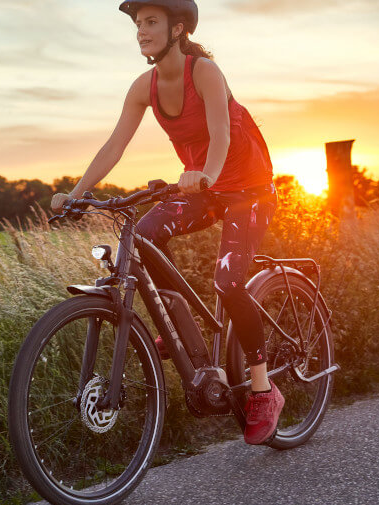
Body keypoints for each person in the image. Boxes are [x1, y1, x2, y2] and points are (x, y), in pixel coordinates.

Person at [50, 0, 284, 445]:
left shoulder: (205, 73)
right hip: (203, 190)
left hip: (248, 191)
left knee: (227, 281)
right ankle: (176, 330)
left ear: (178, 29)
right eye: (138, 24)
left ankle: (263, 387)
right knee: (143, 235)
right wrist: (75, 195)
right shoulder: (145, 86)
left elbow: (222, 133)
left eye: (150, 22)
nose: (141, 31)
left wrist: (207, 175)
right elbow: (113, 146)